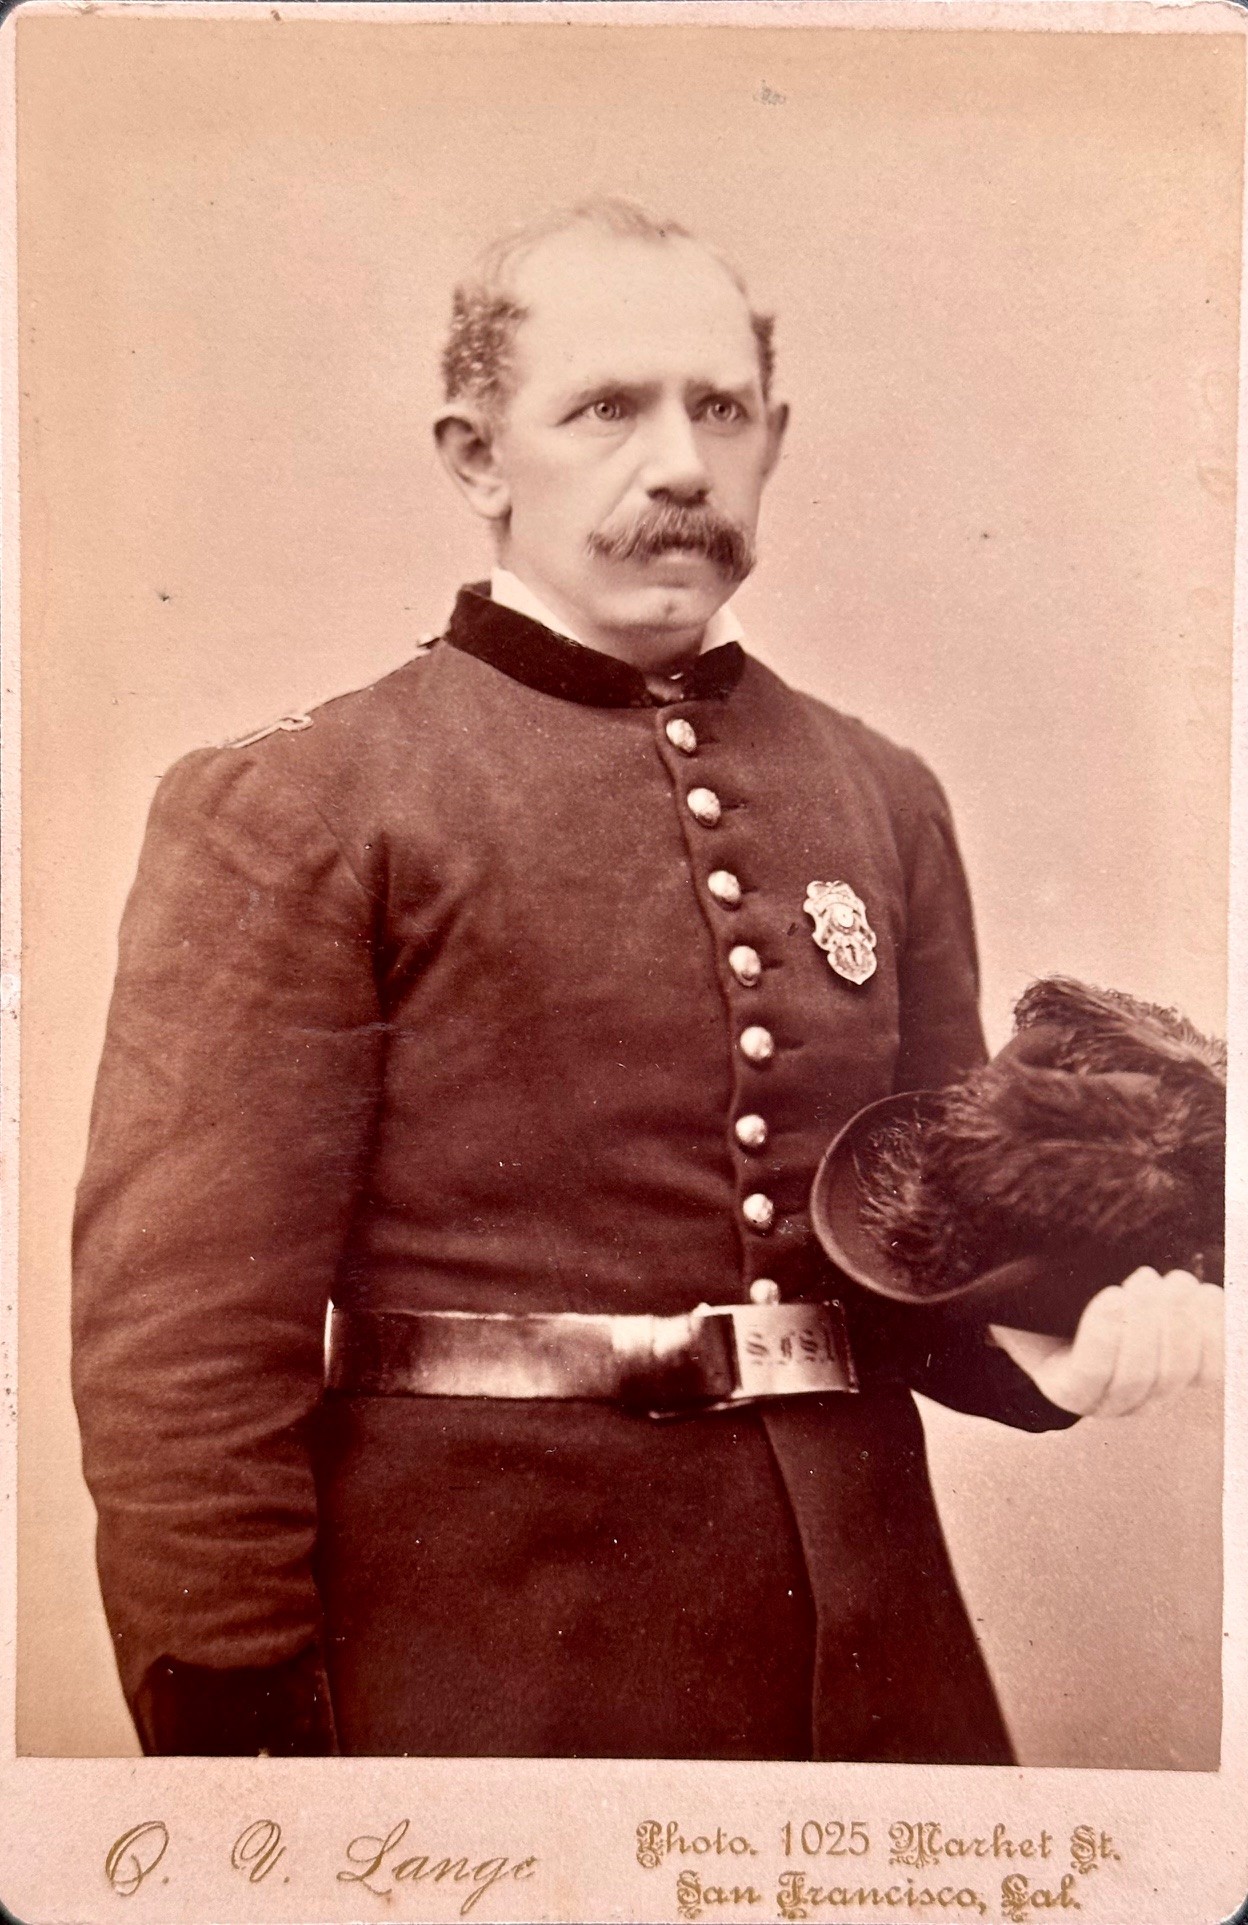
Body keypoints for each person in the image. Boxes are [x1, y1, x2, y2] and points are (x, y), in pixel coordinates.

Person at [71, 198, 1224, 1761]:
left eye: (720, 408)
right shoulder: (307, 802)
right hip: (482, 1674)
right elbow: (185, 1350)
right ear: (478, 455)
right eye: (607, 406)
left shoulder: (883, 794)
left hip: (872, 1670)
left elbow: (921, 1241)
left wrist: (1058, 1355)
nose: (679, 461)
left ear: (772, 439)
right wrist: (243, 1757)